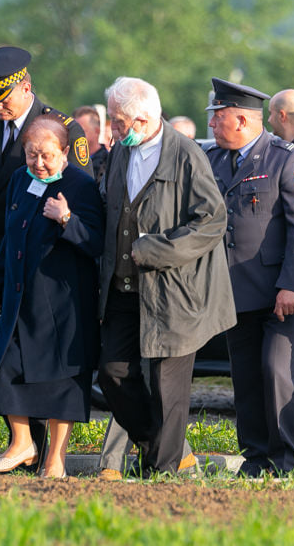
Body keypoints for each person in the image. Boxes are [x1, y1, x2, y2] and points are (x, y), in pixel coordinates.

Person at [97, 76, 235, 475]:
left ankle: (163, 473)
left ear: (141, 120)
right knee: (112, 372)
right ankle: (162, 448)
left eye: (118, 122)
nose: (113, 129)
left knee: (167, 389)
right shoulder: (122, 151)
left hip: (174, 292)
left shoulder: (187, 154)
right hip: (124, 288)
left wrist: (156, 249)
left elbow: (212, 221)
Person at [207, 77, 294, 476]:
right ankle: (255, 458)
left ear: (241, 120)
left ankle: (285, 460)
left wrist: (290, 284)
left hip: (280, 291)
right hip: (235, 290)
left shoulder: (287, 159)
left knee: (278, 373)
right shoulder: (216, 160)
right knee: (247, 377)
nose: (212, 126)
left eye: (218, 118)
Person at [0, 115, 103, 478]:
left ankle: (55, 461)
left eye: (47, 156)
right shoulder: (21, 180)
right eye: (32, 154)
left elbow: (97, 243)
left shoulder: (81, 185)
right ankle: (22, 442)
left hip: (63, 303)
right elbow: (9, 238)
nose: (39, 163)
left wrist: (67, 218)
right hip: (20, 296)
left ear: (65, 152)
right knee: (6, 366)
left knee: (62, 382)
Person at [0, 46, 91, 285]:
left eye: (4, 100)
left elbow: (80, 200)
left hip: (39, 265)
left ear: (26, 88)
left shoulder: (62, 129)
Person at [72, 105, 109, 187]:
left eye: (80, 130)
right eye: (73, 130)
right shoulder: (69, 159)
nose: (75, 135)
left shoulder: (108, 162)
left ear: (97, 131)